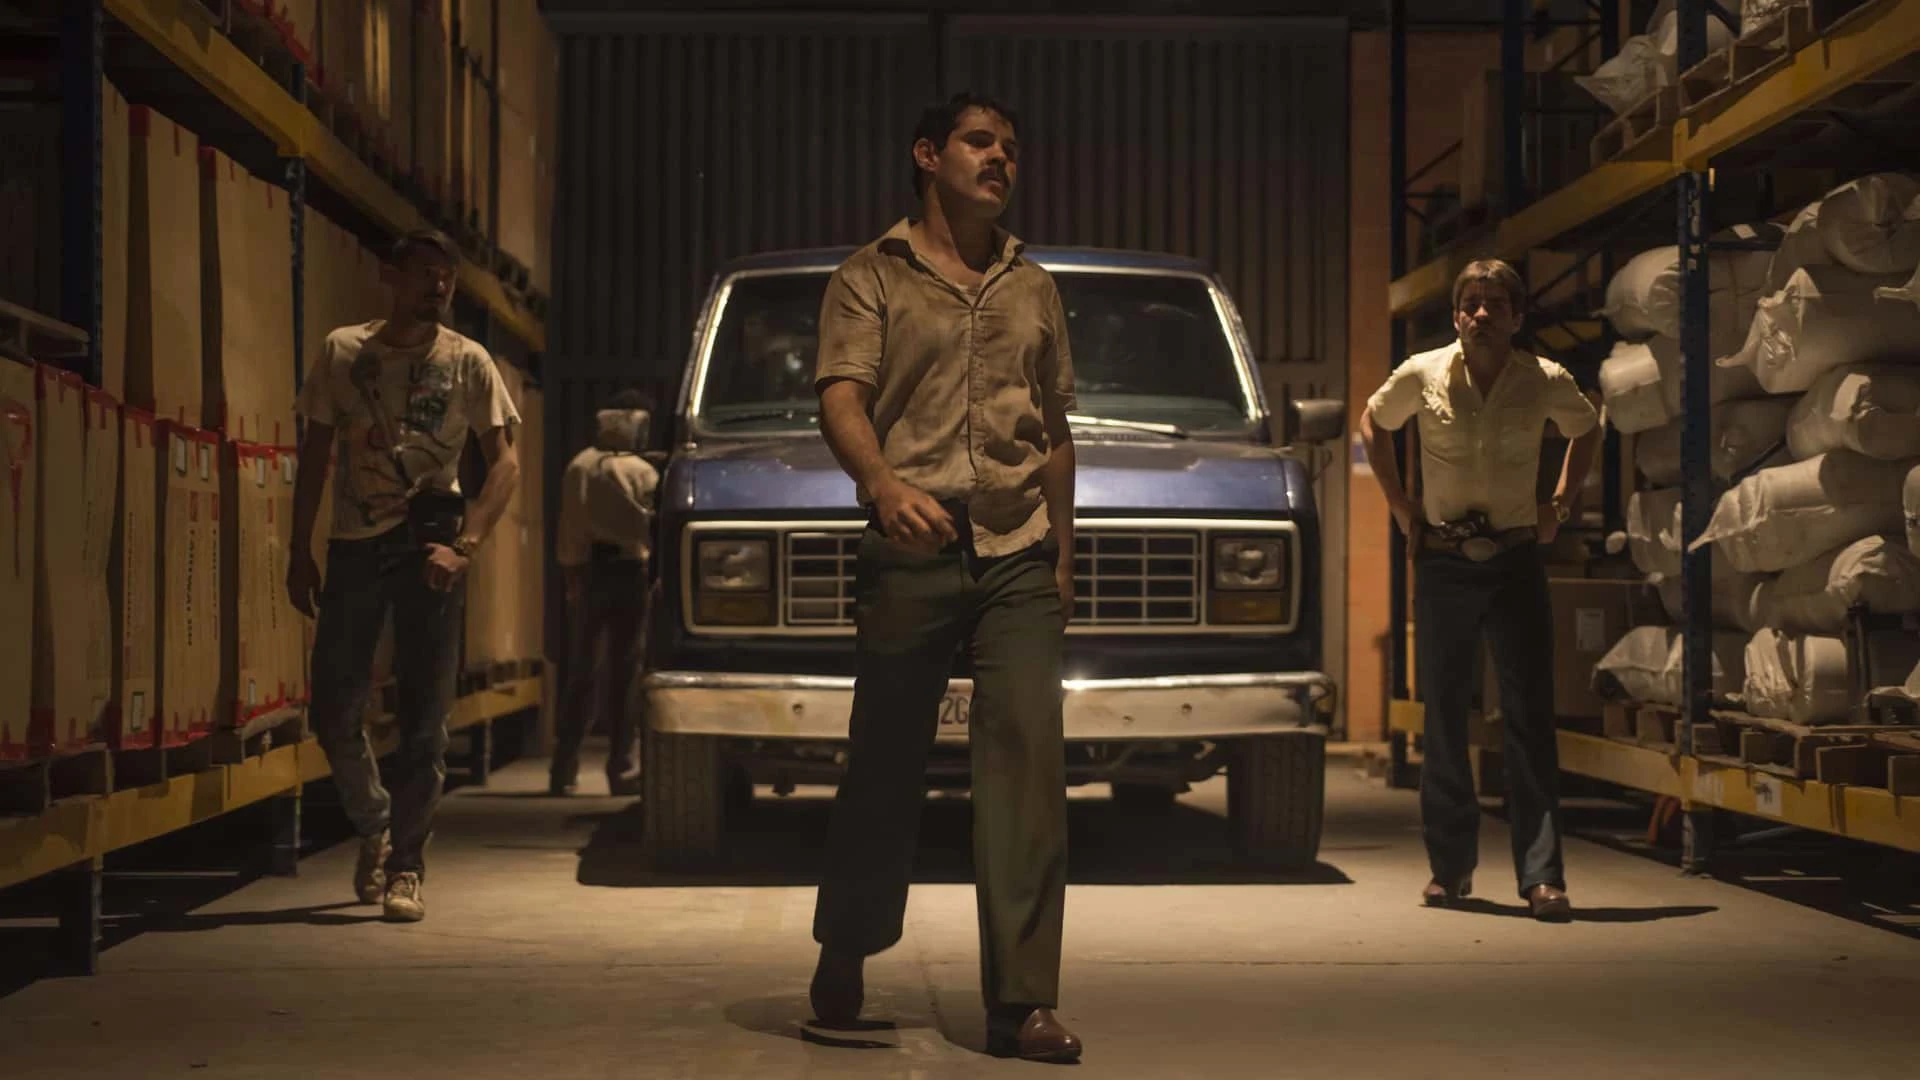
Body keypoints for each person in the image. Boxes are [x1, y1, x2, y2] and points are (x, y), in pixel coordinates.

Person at [806, 92, 1083, 1063]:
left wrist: (1064, 553)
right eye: (979, 141)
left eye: (1011, 146)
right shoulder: (869, 276)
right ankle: (846, 949)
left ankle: (1022, 1001)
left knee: (1028, 767)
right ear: (928, 155)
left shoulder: (1035, 287)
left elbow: (1054, 429)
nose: (1000, 157)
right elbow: (842, 398)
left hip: (1017, 549)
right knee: (884, 762)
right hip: (911, 545)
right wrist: (882, 486)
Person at [287, 228, 522, 924]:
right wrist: (298, 548)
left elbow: (506, 464)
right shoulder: (343, 352)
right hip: (355, 544)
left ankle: (406, 868)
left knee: (425, 720)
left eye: (445, 276)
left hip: (432, 541)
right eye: (423, 273)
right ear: (391, 277)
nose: (438, 287)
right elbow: (315, 454)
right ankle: (376, 823)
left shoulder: (468, 361)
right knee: (335, 709)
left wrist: (466, 545)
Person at [1359, 258, 1602, 922]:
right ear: (1456, 315)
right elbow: (1374, 422)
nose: (1482, 314)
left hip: (1516, 559)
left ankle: (1542, 877)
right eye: (1471, 303)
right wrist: (1400, 505)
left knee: (1528, 718)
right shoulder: (1423, 373)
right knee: (1444, 716)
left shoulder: (1543, 379)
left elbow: (1587, 428)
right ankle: (1449, 869)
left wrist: (1559, 503)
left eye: (1496, 303)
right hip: (1443, 560)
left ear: (1517, 317)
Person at [549, 388, 660, 797]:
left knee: (583, 670)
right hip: (630, 572)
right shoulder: (643, 471)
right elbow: (651, 527)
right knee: (624, 673)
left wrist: (571, 573)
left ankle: (564, 768)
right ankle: (620, 768)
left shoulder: (581, 465)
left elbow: (570, 524)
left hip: (593, 571)